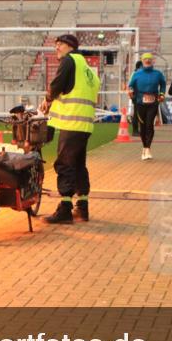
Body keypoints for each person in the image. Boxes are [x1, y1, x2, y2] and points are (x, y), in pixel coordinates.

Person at [40, 34, 101, 224]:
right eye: (56, 44)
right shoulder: (87, 69)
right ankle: (82, 208)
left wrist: (47, 99)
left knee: (64, 164)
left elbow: (57, 84)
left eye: (60, 44)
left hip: (72, 122)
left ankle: (65, 210)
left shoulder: (69, 61)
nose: (57, 48)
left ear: (70, 46)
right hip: (85, 124)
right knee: (78, 165)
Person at [127, 52, 166, 160]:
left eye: (149, 59)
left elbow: (163, 84)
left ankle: (148, 148)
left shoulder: (158, 74)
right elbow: (130, 85)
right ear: (142, 61)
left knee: (150, 125)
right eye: (145, 59)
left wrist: (162, 94)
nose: (148, 61)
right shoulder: (137, 74)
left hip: (153, 102)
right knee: (143, 126)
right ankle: (144, 147)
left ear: (153, 61)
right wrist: (130, 92)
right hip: (140, 102)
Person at [129, 59, 143, 136]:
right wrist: (132, 97)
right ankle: (135, 131)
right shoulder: (135, 74)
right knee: (136, 114)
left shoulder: (140, 74)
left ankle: (141, 130)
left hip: (141, 96)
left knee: (141, 113)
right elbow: (130, 86)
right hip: (136, 96)